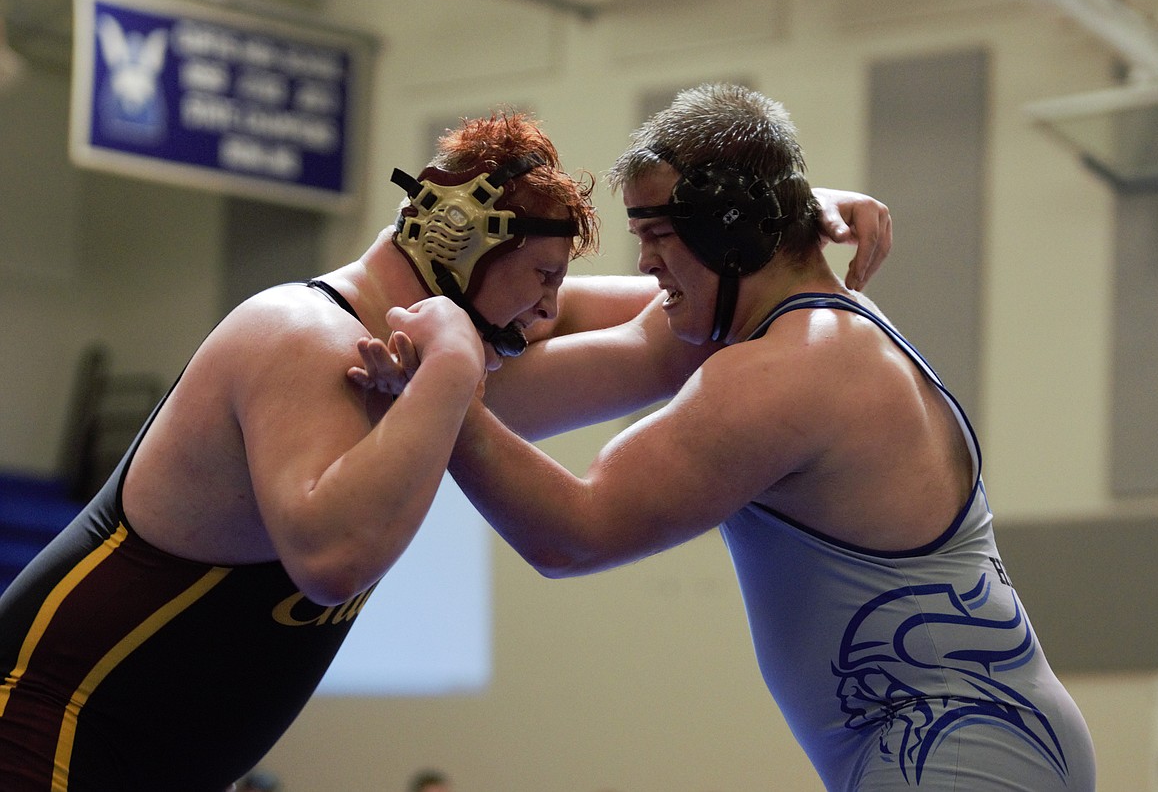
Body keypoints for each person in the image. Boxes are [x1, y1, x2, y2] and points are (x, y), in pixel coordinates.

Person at [0, 107, 889, 791]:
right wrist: (455, 367)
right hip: (45, 728)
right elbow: (333, 557)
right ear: (463, 243)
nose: (546, 314)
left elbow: (682, 329)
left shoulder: (426, 364)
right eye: (543, 280)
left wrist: (777, 232)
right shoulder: (300, 334)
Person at [395, 85, 1095, 790]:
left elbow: (574, 532)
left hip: (954, 750)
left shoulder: (786, 371)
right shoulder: (827, 323)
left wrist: (441, 382)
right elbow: (551, 315)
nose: (645, 265)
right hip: (986, 735)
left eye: (657, 237)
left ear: (731, 232)